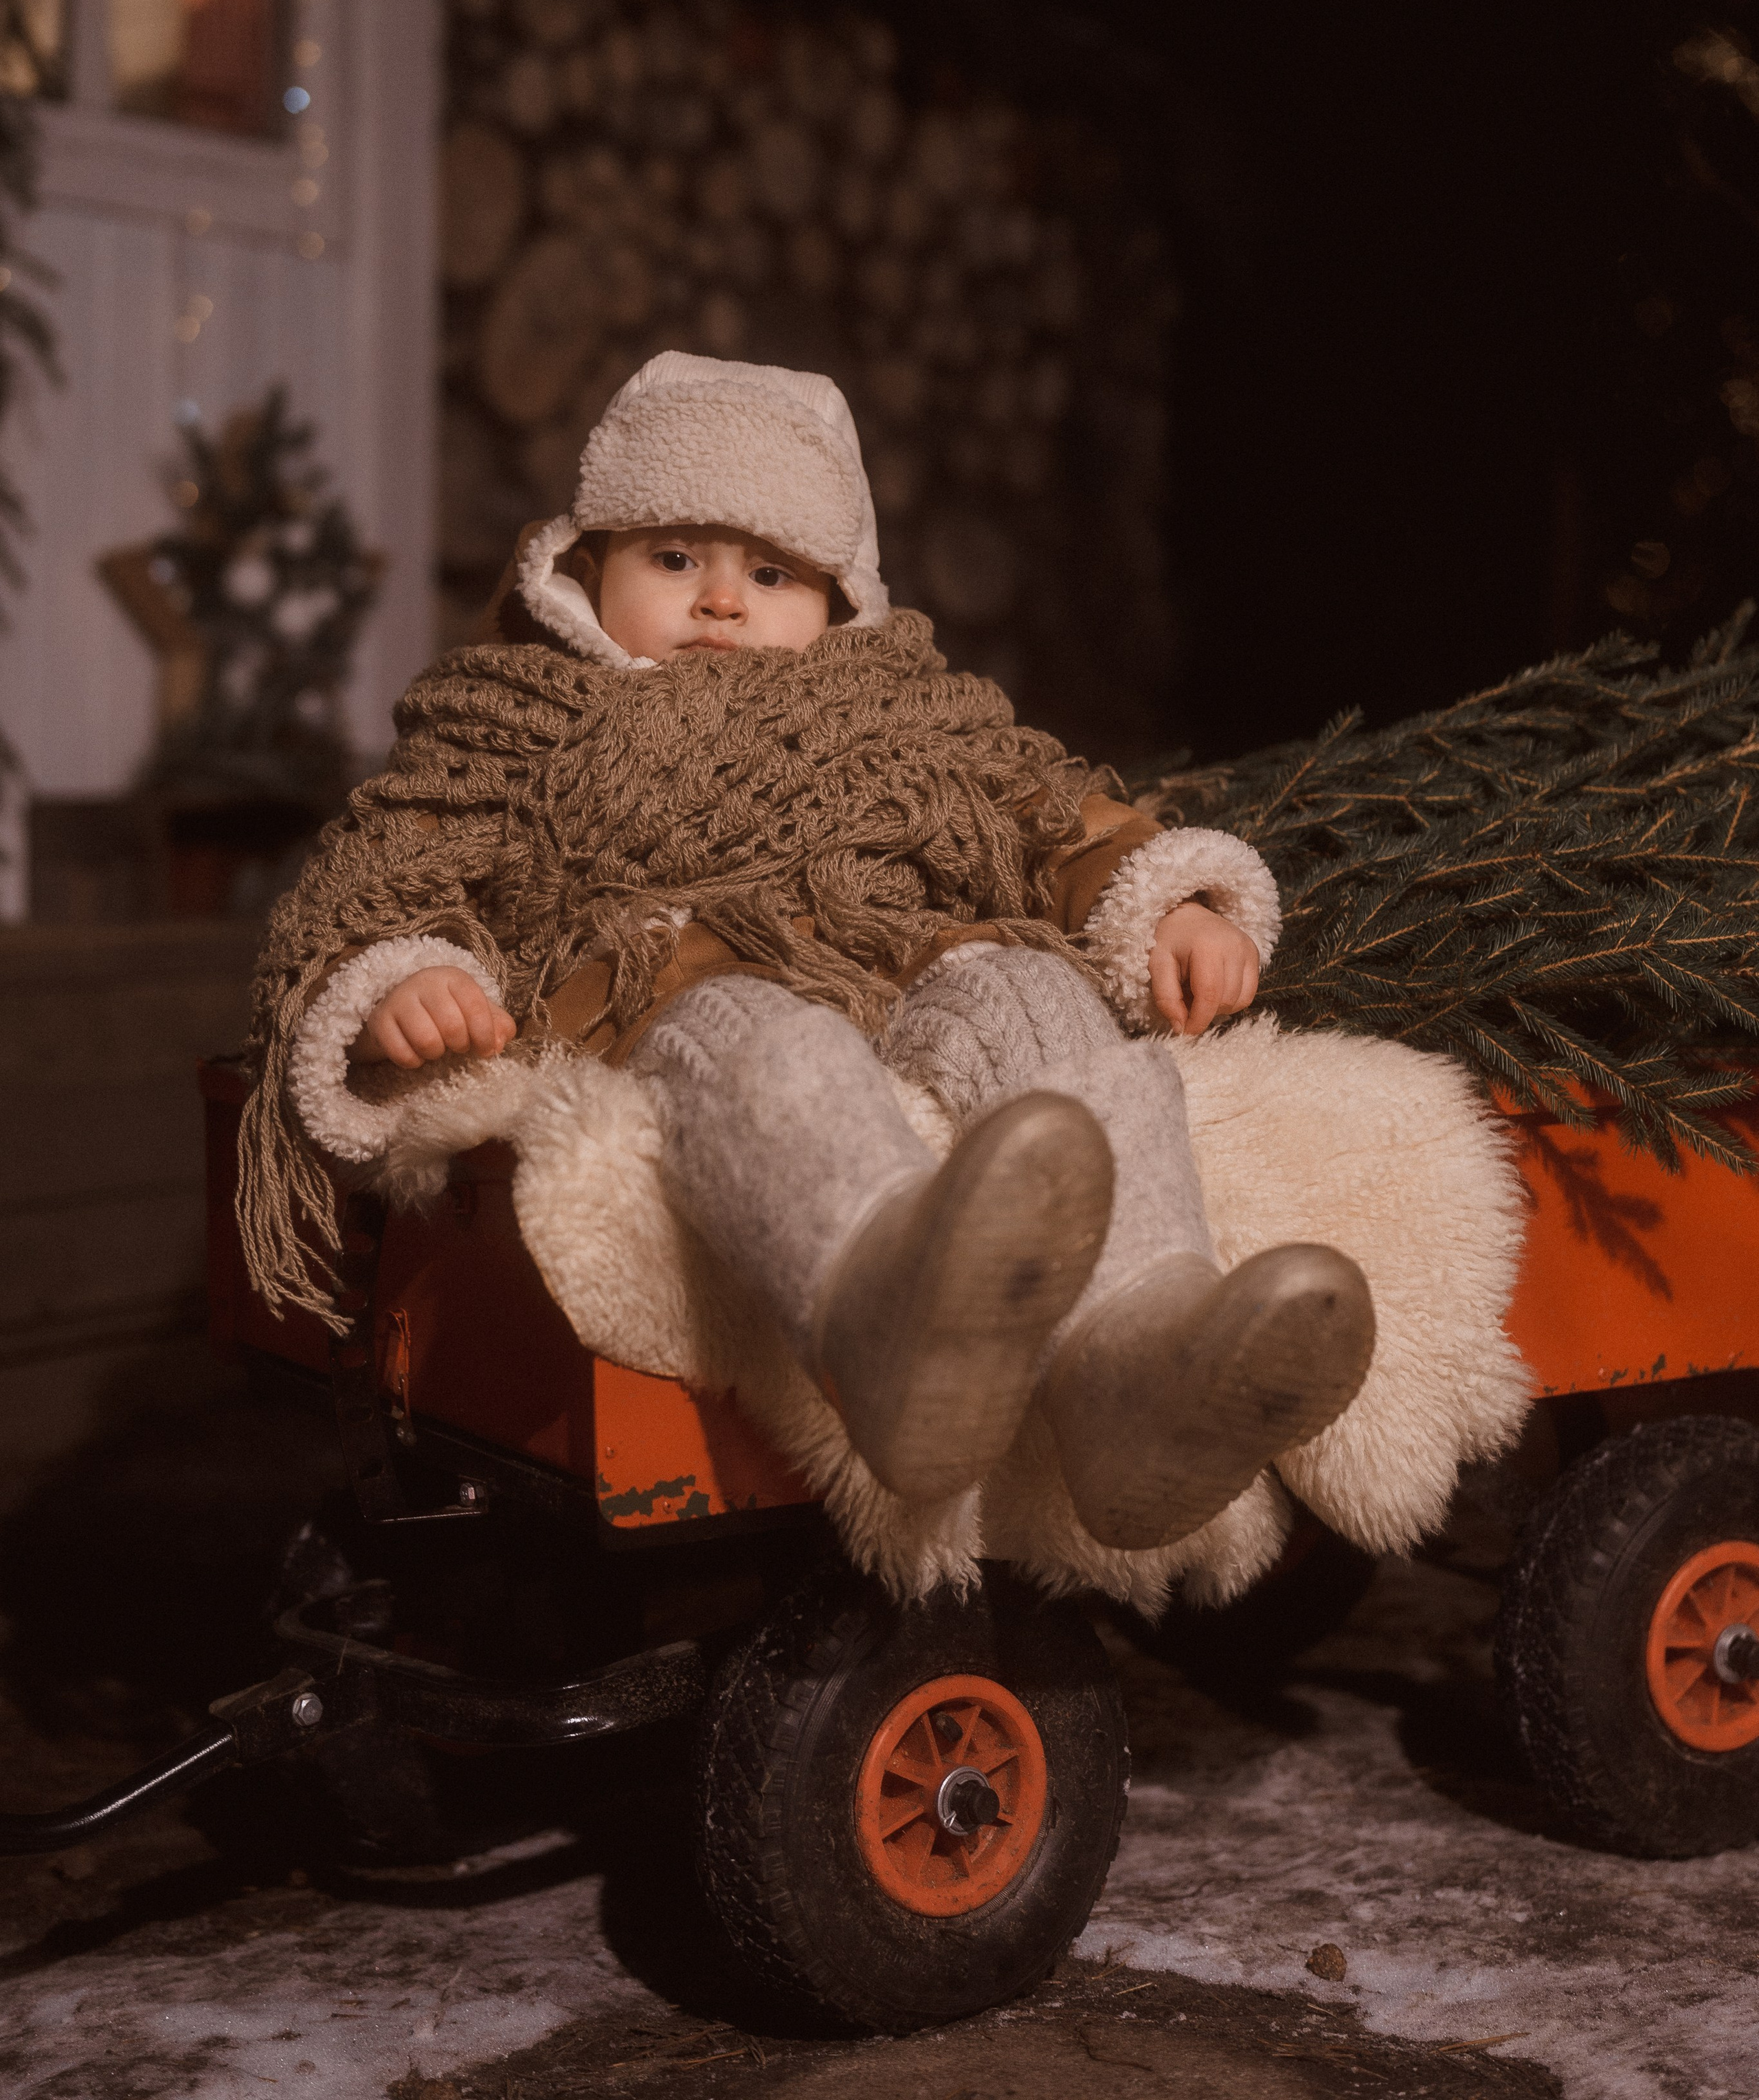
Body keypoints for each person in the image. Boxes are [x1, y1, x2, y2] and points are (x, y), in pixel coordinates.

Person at [245, 352, 1374, 1554]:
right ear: (585, 567)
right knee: (764, 1049)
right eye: (675, 559)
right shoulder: (510, 721)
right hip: (670, 983)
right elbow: (381, 872)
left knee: (1036, 996)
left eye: (771, 572)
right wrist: (399, 982)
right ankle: (884, 1318)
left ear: (839, 603)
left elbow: (1053, 813)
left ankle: (1144, 1357)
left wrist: (1174, 901)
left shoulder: (904, 715)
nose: (722, 602)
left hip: (906, 962)